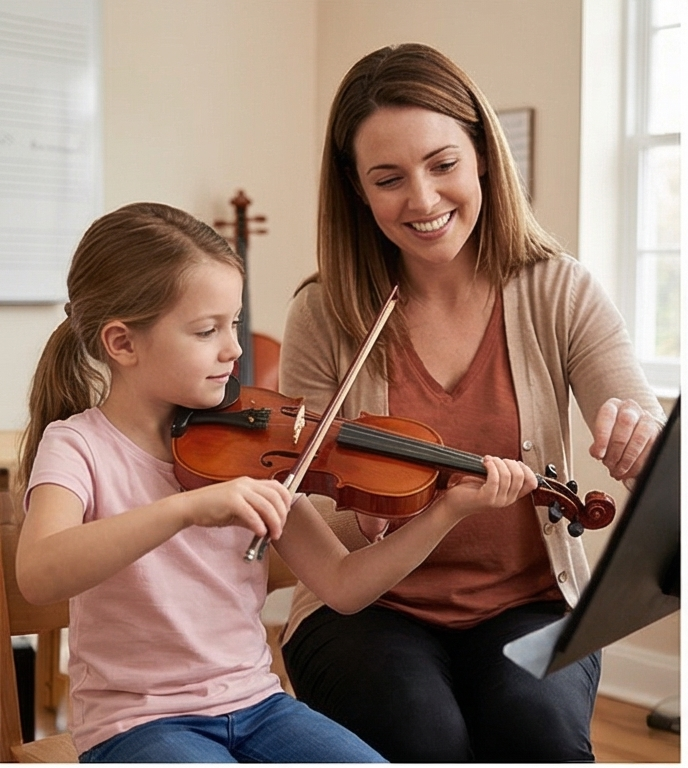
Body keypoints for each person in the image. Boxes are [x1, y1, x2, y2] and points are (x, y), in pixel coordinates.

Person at [14, 201, 536, 764]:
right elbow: (40, 573)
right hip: (137, 725)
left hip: (259, 705)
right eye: (206, 330)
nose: (234, 348)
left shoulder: (250, 447)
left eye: (232, 324)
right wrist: (186, 510)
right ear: (123, 344)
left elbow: (342, 584)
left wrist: (446, 512)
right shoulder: (78, 446)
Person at [278, 43, 666, 763]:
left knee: (537, 735)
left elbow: (658, 460)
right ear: (357, 191)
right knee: (425, 736)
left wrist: (644, 450)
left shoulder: (560, 290)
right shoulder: (324, 312)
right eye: (388, 179)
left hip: (530, 603)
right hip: (368, 609)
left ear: (484, 154)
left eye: (443, 164)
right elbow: (301, 499)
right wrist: (365, 510)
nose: (422, 201)